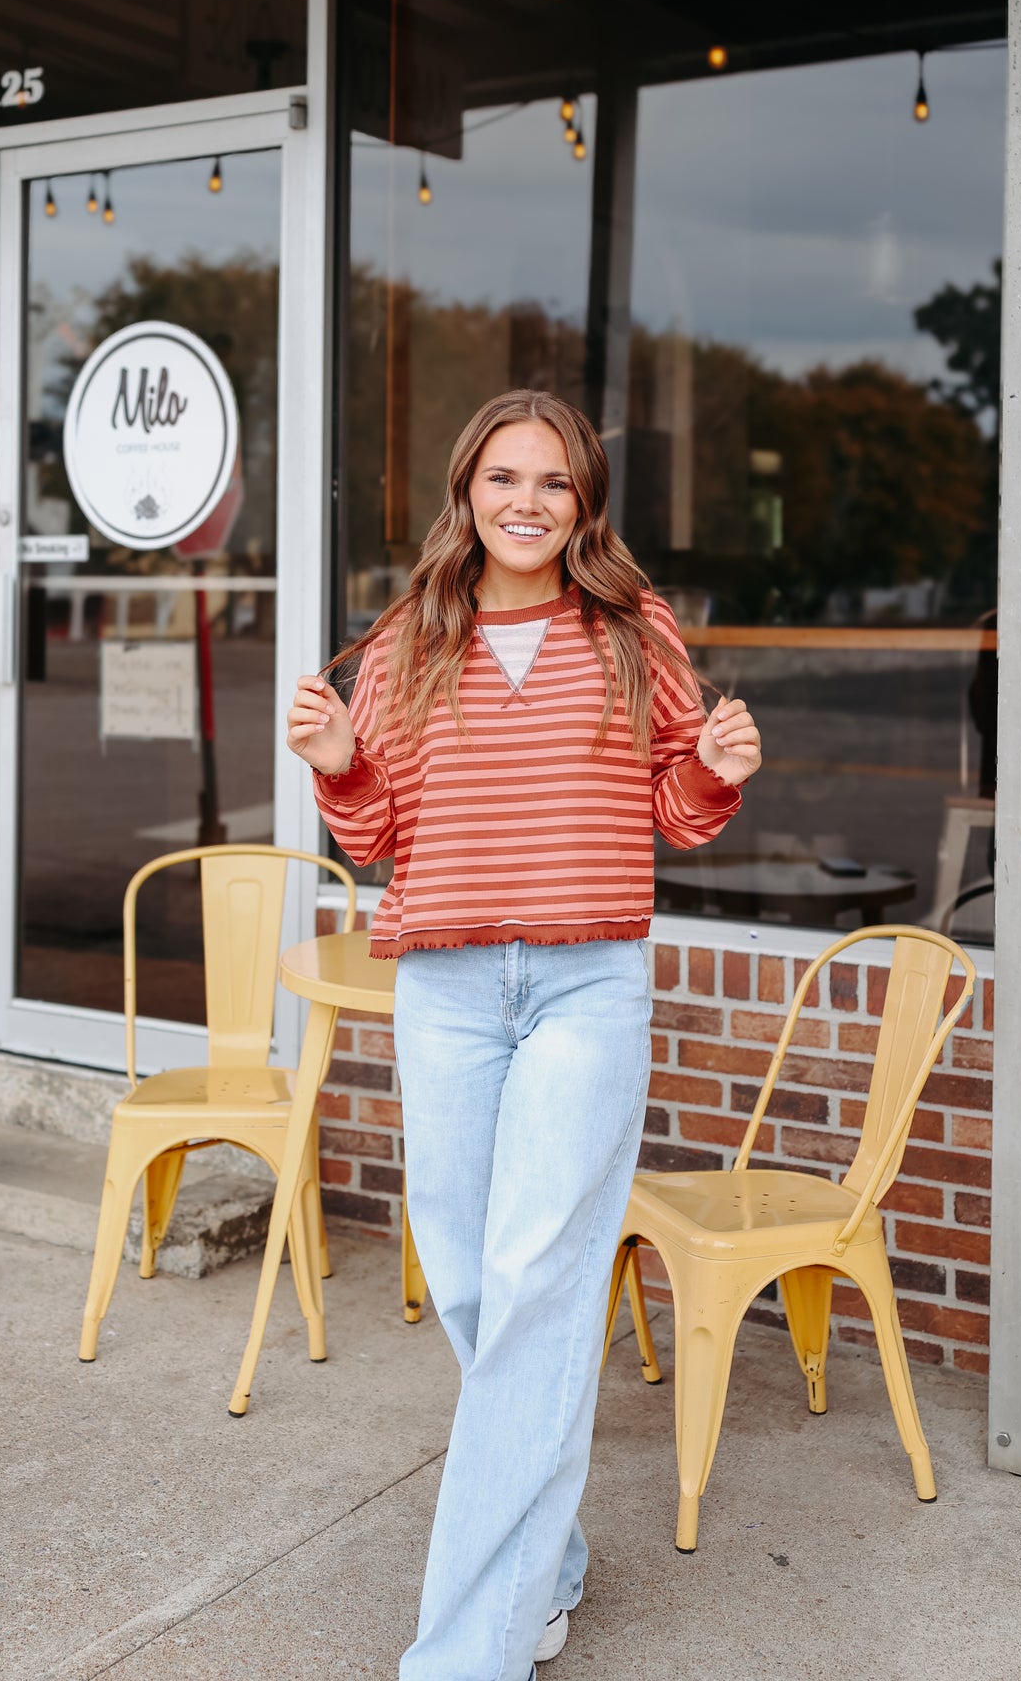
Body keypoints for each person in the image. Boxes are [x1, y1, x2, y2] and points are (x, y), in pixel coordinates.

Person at [285, 390, 761, 1681]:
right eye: (505, 477)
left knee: (543, 1282)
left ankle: (467, 1650)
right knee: (476, 1282)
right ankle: (545, 1555)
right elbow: (377, 836)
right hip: (445, 988)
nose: (527, 502)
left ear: (583, 501)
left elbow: (676, 805)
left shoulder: (628, 628)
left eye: (553, 482)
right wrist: (336, 760)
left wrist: (714, 762)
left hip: (584, 987)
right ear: (467, 491)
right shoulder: (407, 640)